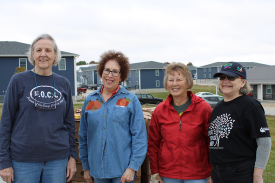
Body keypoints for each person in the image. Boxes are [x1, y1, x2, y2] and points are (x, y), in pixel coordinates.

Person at [0, 34, 77, 183]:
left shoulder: (64, 83)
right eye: (38, 50)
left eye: (48, 50)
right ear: (32, 55)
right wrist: (4, 161)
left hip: (57, 160)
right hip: (23, 160)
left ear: (55, 55)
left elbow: (69, 124)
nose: (43, 54)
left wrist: (72, 157)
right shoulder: (18, 81)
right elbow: (6, 123)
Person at [78, 50, 147, 183]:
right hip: (97, 170)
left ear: (121, 76)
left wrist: (132, 167)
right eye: (107, 70)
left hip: (123, 172)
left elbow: (139, 136)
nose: (110, 75)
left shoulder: (130, 100)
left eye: (115, 72)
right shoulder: (90, 100)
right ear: (101, 72)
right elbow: (83, 136)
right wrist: (86, 167)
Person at [147, 62, 212, 183]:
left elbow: (211, 142)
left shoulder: (203, 108)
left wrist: (213, 171)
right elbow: (153, 144)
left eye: (179, 79)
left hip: (198, 174)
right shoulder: (159, 111)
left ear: (188, 83)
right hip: (168, 174)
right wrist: (154, 171)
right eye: (171, 80)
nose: (174, 84)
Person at [208, 62, 271, 183]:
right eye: (222, 78)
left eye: (231, 77)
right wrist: (212, 173)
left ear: (243, 82)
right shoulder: (218, 107)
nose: (225, 81)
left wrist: (258, 176)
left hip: (240, 172)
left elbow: (264, 142)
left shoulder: (250, 105)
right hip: (217, 172)